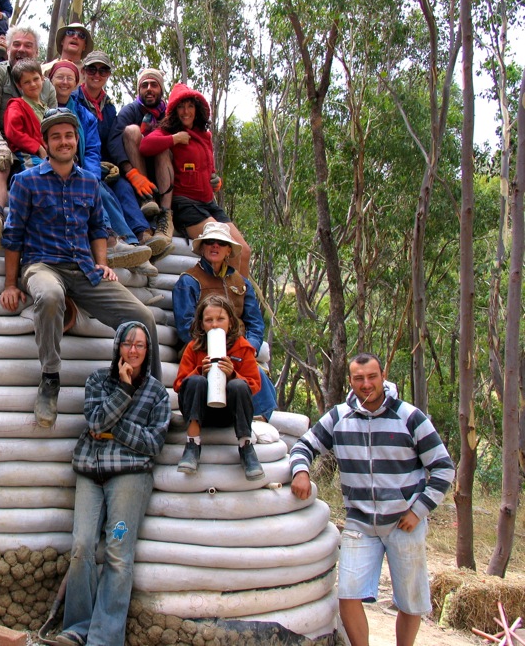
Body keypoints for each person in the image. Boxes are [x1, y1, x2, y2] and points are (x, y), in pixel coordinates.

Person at [0, 107, 160, 428]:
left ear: (77, 140)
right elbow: (13, 234)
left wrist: (102, 265)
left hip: (84, 269)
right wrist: (10, 284)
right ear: (46, 142)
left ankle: (148, 392)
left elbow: (97, 229)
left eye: (69, 136)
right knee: (48, 297)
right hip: (42, 265)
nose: (63, 141)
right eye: (56, 136)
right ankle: (49, 379)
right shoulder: (26, 181)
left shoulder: (89, 182)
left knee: (142, 318)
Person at [290, 354, 455, 646]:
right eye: (359, 378)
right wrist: (301, 471)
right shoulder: (340, 417)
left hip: (404, 523)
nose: (366, 384)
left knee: (410, 600)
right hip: (360, 521)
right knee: (348, 595)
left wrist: (418, 511)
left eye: (372, 377)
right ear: (351, 381)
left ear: (382, 375)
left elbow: (443, 468)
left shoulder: (409, 417)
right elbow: (305, 444)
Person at [56, 321, 170, 646]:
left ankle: (104, 638)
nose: (132, 351)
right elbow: (93, 422)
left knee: (118, 551)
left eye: (140, 346)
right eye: (127, 344)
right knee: (82, 547)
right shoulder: (97, 381)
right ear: (117, 346)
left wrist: (112, 429)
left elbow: (153, 443)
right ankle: (76, 629)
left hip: (129, 482)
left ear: (148, 352)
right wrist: (123, 392)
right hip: (91, 476)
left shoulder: (157, 393)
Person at [48, 59, 152, 271]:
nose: (65, 82)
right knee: (95, 189)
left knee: (101, 189)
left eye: (70, 78)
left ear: (76, 82)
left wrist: (92, 175)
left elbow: (93, 149)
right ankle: (113, 242)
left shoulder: (85, 114)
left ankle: (132, 245)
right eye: (60, 77)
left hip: (80, 168)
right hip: (53, 168)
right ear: (50, 80)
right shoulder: (41, 106)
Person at [140, 84, 251, 276]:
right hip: (186, 205)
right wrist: (174, 139)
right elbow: (145, 145)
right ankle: (223, 303)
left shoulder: (204, 135)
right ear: (174, 110)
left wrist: (216, 180)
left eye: (190, 106)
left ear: (197, 109)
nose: (186, 111)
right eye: (181, 107)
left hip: (208, 203)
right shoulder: (168, 132)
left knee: (244, 251)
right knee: (227, 251)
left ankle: (241, 303)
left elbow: (210, 168)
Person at [171, 221, 276, 421]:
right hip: (202, 349)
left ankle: (259, 418)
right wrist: (218, 349)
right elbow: (186, 329)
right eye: (210, 242)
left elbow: (255, 324)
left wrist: (246, 349)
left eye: (220, 242)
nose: (215, 246)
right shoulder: (188, 281)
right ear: (202, 247)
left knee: (256, 373)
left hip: (238, 347)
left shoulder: (242, 283)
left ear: (229, 250)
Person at [0, 26, 56, 250]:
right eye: (16, 45)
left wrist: (51, 150)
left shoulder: (46, 84)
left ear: (36, 52)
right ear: (7, 48)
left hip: (35, 147)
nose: (21, 49)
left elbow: (52, 120)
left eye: (28, 45)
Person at [173, 295, 264, 480]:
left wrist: (233, 375)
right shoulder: (194, 348)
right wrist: (200, 371)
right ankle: (192, 444)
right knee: (196, 381)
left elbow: (254, 385)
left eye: (220, 319)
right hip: (199, 412)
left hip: (228, 413)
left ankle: (246, 447)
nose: (214, 325)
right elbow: (179, 385)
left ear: (230, 322)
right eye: (209, 320)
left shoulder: (242, 348)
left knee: (239, 385)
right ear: (201, 324)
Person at [106, 69, 173, 257]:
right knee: (132, 131)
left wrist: (208, 173)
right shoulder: (130, 110)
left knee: (162, 141)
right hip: (138, 171)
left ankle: (166, 213)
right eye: (145, 85)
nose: (149, 89)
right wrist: (131, 173)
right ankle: (146, 198)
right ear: (139, 90)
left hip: (163, 170)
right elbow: (114, 139)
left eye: (154, 85)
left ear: (161, 89)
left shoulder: (169, 114)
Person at [3, 59, 48, 169]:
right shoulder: (17, 106)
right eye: (26, 82)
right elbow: (13, 132)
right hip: (27, 154)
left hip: (48, 153)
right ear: (19, 85)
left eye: (36, 79)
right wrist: (38, 148)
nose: (32, 84)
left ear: (42, 78)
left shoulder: (47, 108)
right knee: (42, 173)